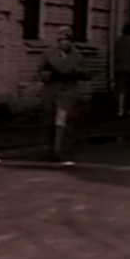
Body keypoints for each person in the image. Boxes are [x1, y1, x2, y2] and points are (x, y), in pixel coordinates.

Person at [41, 27, 88, 163]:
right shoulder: (49, 54)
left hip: (68, 90)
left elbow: (87, 73)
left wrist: (77, 72)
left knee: (61, 119)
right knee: (50, 120)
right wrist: (47, 75)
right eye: (62, 40)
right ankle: (51, 148)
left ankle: (58, 150)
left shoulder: (77, 56)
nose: (64, 43)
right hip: (52, 90)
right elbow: (41, 72)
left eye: (67, 40)